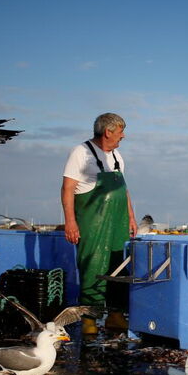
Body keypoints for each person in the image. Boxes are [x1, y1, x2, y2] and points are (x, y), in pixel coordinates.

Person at [61, 113, 136, 334]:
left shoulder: (117, 157)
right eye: (120, 131)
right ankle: (89, 320)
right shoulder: (80, 153)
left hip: (118, 221)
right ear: (108, 131)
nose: (123, 136)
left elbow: (124, 189)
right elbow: (67, 189)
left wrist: (131, 217)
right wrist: (70, 222)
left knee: (118, 265)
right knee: (92, 265)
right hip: (91, 222)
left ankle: (115, 315)